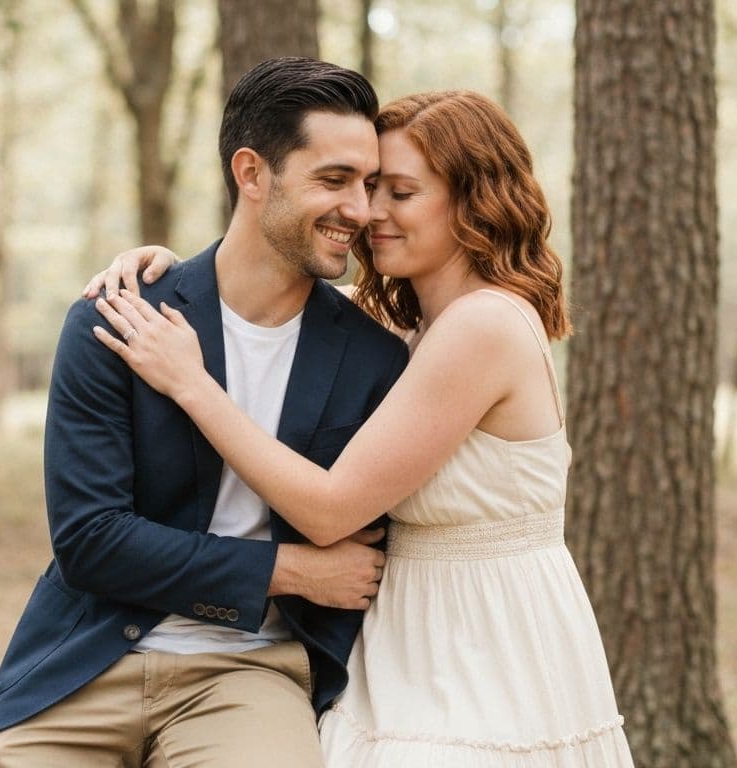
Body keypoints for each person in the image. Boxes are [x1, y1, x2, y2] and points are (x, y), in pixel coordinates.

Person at [88, 90, 635, 766]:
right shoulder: (409, 323)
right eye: (370, 186)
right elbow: (256, 286)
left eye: (400, 192)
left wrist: (193, 385)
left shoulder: (483, 325)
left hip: (483, 637)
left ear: (474, 202)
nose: (370, 212)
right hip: (407, 633)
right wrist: (164, 271)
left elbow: (329, 509)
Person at [0, 58, 412, 768]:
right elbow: (90, 542)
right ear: (251, 173)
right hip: (88, 657)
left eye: (366, 184)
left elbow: (360, 538)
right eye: (333, 181)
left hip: (250, 671)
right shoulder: (115, 321)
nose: (359, 211)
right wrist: (290, 568)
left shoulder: (374, 361)